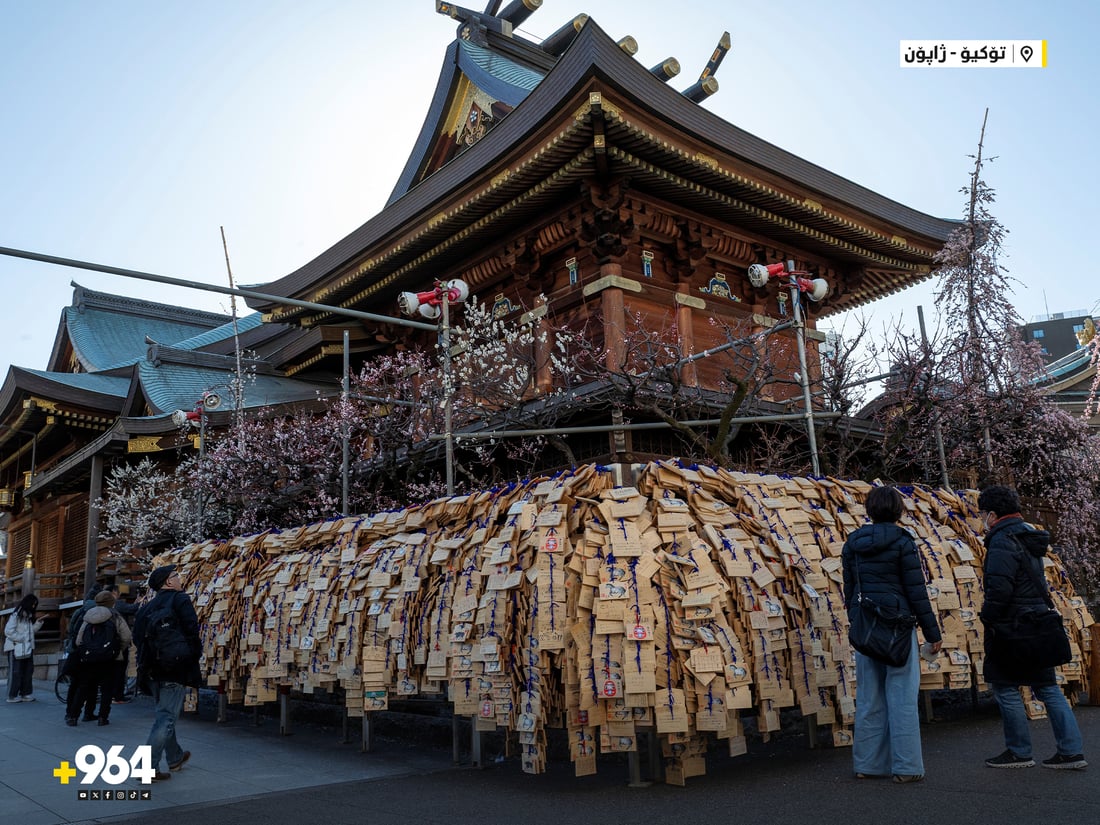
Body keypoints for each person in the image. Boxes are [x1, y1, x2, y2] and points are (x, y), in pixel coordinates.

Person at [978, 484, 1087, 770]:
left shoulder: (1001, 541)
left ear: (992, 514)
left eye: (982, 514)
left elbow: (999, 588)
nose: (981, 519)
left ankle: (1019, 751)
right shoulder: (1028, 537)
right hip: (1037, 623)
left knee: (1005, 686)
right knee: (1048, 687)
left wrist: (987, 616)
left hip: (1011, 626)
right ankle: (1071, 751)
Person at [842, 485, 942, 783]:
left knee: (869, 697)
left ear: (869, 510)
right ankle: (907, 767)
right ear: (898, 510)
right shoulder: (903, 542)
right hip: (898, 627)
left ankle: (868, 764)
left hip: (866, 628)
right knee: (902, 697)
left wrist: (856, 620)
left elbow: (850, 589)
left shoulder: (853, 544)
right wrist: (932, 632)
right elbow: (916, 591)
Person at [133, 565, 201, 782]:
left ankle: (175, 757)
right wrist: (190, 656)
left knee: (164, 714)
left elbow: (137, 638)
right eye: (176, 575)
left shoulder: (146, 607)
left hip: (151, 670)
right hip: (174, 668)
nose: (179, 578)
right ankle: (146, 768)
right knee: (166, 718)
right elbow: (192, 631)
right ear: (169, 582)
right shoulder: (180, 600)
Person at [69, 590, 132, 726]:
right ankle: (103, 717)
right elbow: (126, 636)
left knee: (84, 687)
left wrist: (87, 650)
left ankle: (75, 716)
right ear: (111, 602)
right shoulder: (115, 615)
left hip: (89, 658)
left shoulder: (88, 615)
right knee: (106, 689)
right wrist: (116, 650)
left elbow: (79, 639)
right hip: (109, 658)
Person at [64, 585, 103, 722]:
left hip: (75, 651)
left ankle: (70, 712)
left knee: (75, 684)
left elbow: (71, 630)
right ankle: (86, 713)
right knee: (90, 684)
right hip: (89, 652)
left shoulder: (79, 611)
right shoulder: (97, 613)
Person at [4, 594, 45, 702]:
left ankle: (25, 693)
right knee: (16, 672)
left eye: (35, 605)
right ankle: (12, 695)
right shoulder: (16, 615)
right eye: (33, 604)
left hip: (27, 648)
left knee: (28, 671)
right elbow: (8, 631)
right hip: (15, 647)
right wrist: (21, 638)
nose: (33, 606)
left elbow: (30, 633)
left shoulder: (29, 617)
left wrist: (38, 624)